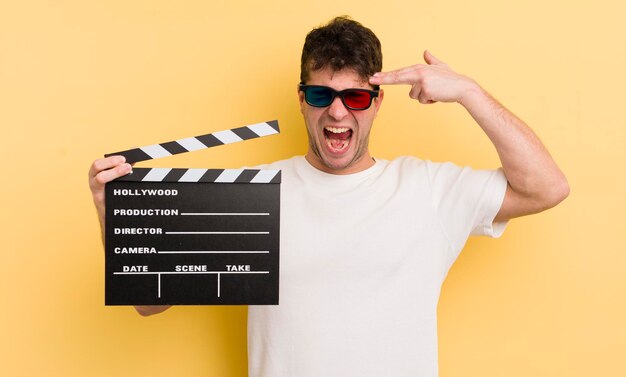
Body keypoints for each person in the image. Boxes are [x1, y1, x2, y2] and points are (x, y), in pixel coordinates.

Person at [89, 16, 568, 377]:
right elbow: (149, 302)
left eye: (355, 97)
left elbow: (548, 187)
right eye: (321, 96)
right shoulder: (256, 193)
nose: (337, 112)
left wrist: (469, 92)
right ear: (302, 100)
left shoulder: (428, 189)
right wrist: (113, 216)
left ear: (377, 103)